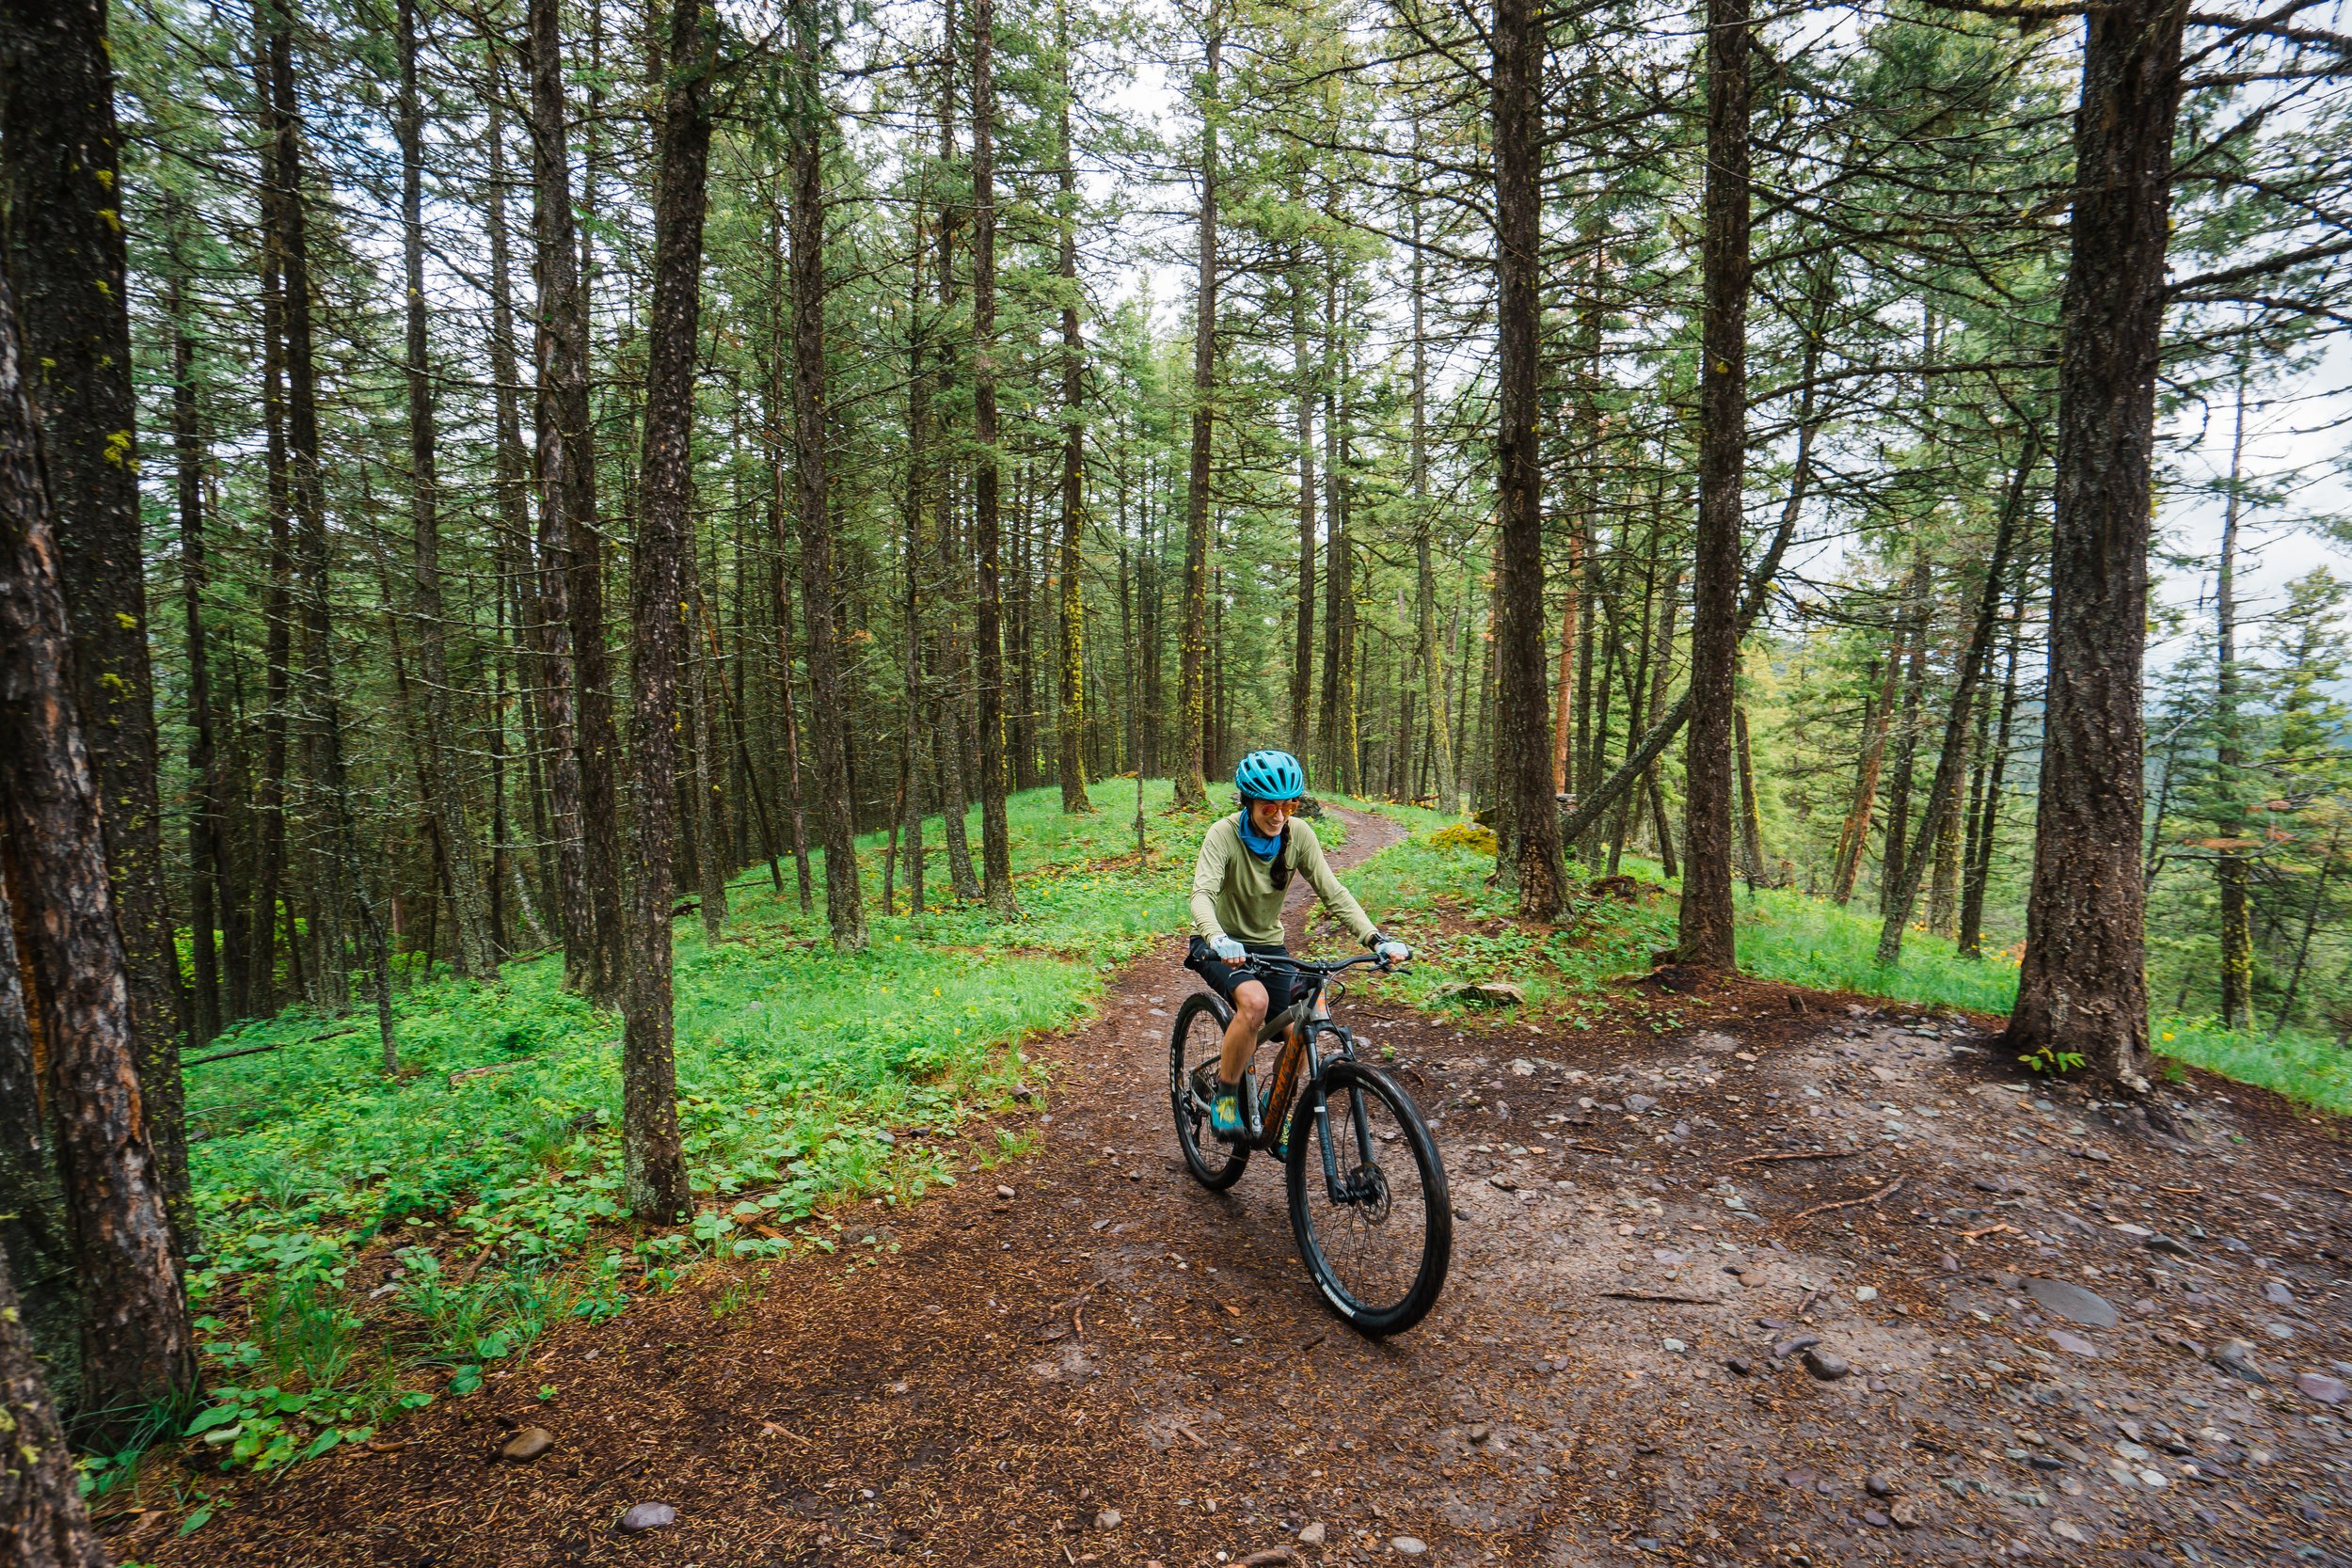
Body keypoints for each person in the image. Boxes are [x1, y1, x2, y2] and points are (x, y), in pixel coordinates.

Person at [1185, 749, 1411, 1143]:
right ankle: (1224, 1099)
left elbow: (1333, 893)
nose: (1278, 815)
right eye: (1267, 807)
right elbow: (1201, 894)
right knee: (1253, 1003)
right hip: (1218, 942)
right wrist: (1217, 938)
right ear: (1249, 802)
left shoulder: (1299, 834)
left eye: (1287, 805)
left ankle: (1275, 1105)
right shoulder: (1223, 834)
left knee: (1301, 1026)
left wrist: (1376, 938)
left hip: (1268, 945)